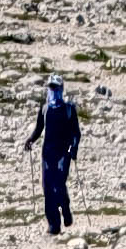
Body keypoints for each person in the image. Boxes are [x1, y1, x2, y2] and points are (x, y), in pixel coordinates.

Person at [23, 80, 83, 235]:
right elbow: (39, 129)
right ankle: (53, 225)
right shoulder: (44, 109)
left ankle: (66, 209)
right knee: (47, 187)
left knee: (59, 184)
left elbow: (75, 133)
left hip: (65, 151)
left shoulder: (69, 109)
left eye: (55, 88)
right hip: (47, 153)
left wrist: (73, 148)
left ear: (61, 89)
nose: (53, 91)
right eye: (50, 88)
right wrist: (30, 140)